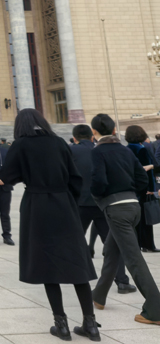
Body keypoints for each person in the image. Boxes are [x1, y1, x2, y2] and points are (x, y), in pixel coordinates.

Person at [0, 109, 98, 340]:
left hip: (37, 205)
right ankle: (90, 324)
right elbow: (75, 177)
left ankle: (61, 325)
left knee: (47, 264)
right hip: (64, 203)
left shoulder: (21, 145)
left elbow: (6, 176)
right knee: (76, 261)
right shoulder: (59, 142)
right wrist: (68, 199)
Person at [89, 114, 160, 326]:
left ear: (94, 132)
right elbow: (141, 178)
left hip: (116, 209)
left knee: (133, 258)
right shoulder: (124, 150)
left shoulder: (98, 152)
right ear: (113, 131)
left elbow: (98, 181)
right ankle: (99, 295)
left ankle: (155, 309)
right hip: (133, 206)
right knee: (111, 250)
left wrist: (101, 196)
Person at [69, 124, 134, 294]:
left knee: (74, 240)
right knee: (113, 243)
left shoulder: (71, 151)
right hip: (103, 202)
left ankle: (76, 276)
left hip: (79, 203)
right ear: (92, 136)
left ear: (75, 138)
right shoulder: (102, 150)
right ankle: (122, 282)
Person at [124, 125, 158, 252]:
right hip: (143, 188)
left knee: (135, 219)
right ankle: (148, 244)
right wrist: (151, 188)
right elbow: (147, 172)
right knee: (145, 219)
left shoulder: (126, 149)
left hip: (131, 187)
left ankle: (137, 244)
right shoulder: (141, 149)